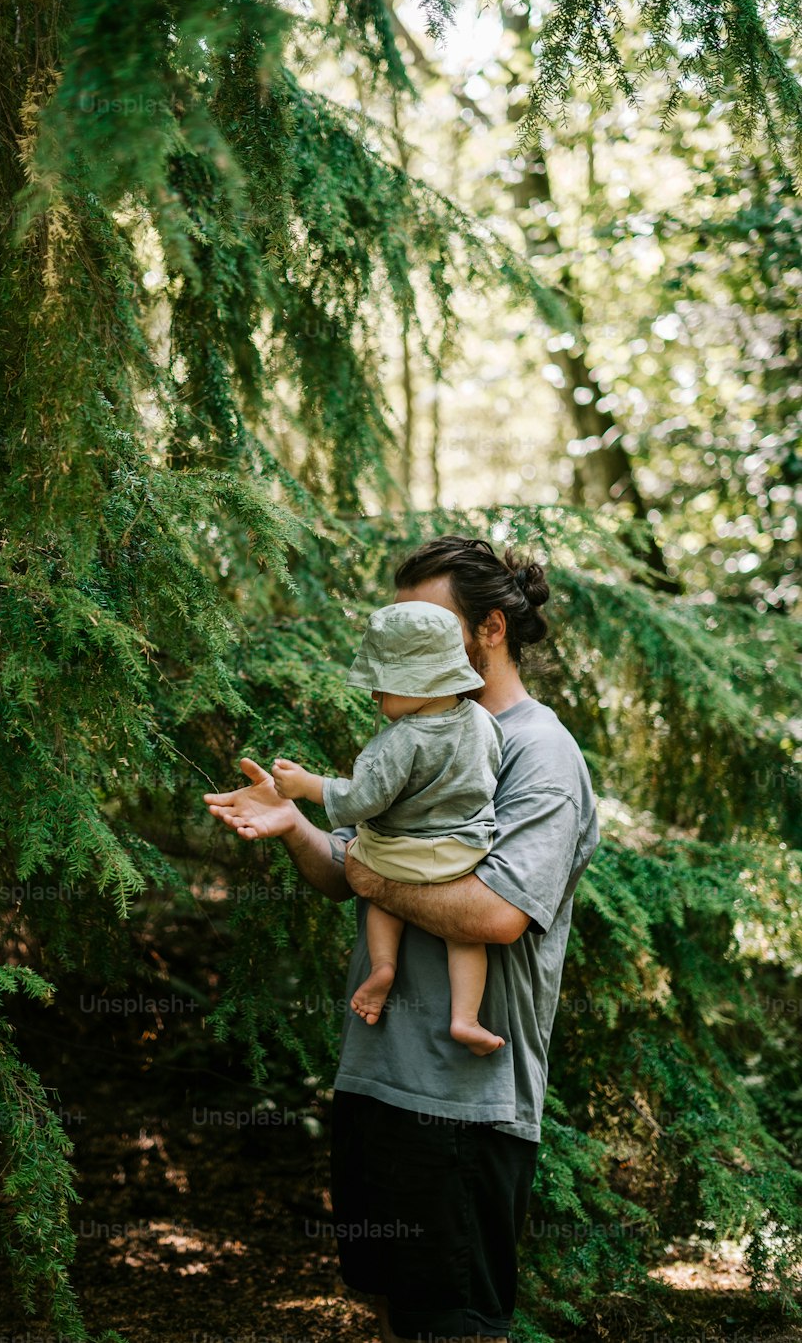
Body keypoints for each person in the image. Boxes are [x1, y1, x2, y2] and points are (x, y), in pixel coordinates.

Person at [204, 535, 600, 1343]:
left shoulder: (538, 752)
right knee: (395, 1304)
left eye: (425, 623)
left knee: (450, 1322)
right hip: (379, 1075)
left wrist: (367, 874)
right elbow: (349, 870)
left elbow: (495, 915)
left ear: (489, 629)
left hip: (459, 1100)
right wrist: (295, 828)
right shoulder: (419, 735)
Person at [270, 599, 506, 1054]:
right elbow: (489, 775)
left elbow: (362, 799)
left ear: (418, 682)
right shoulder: (484, 721)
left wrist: (306, 785)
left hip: (398, 851)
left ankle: (383, 967)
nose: (375, 699)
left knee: (377, 883)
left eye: (382, 687)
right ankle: (466, 1018)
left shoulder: (403, 740)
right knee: (465, 935)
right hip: (464, 852)